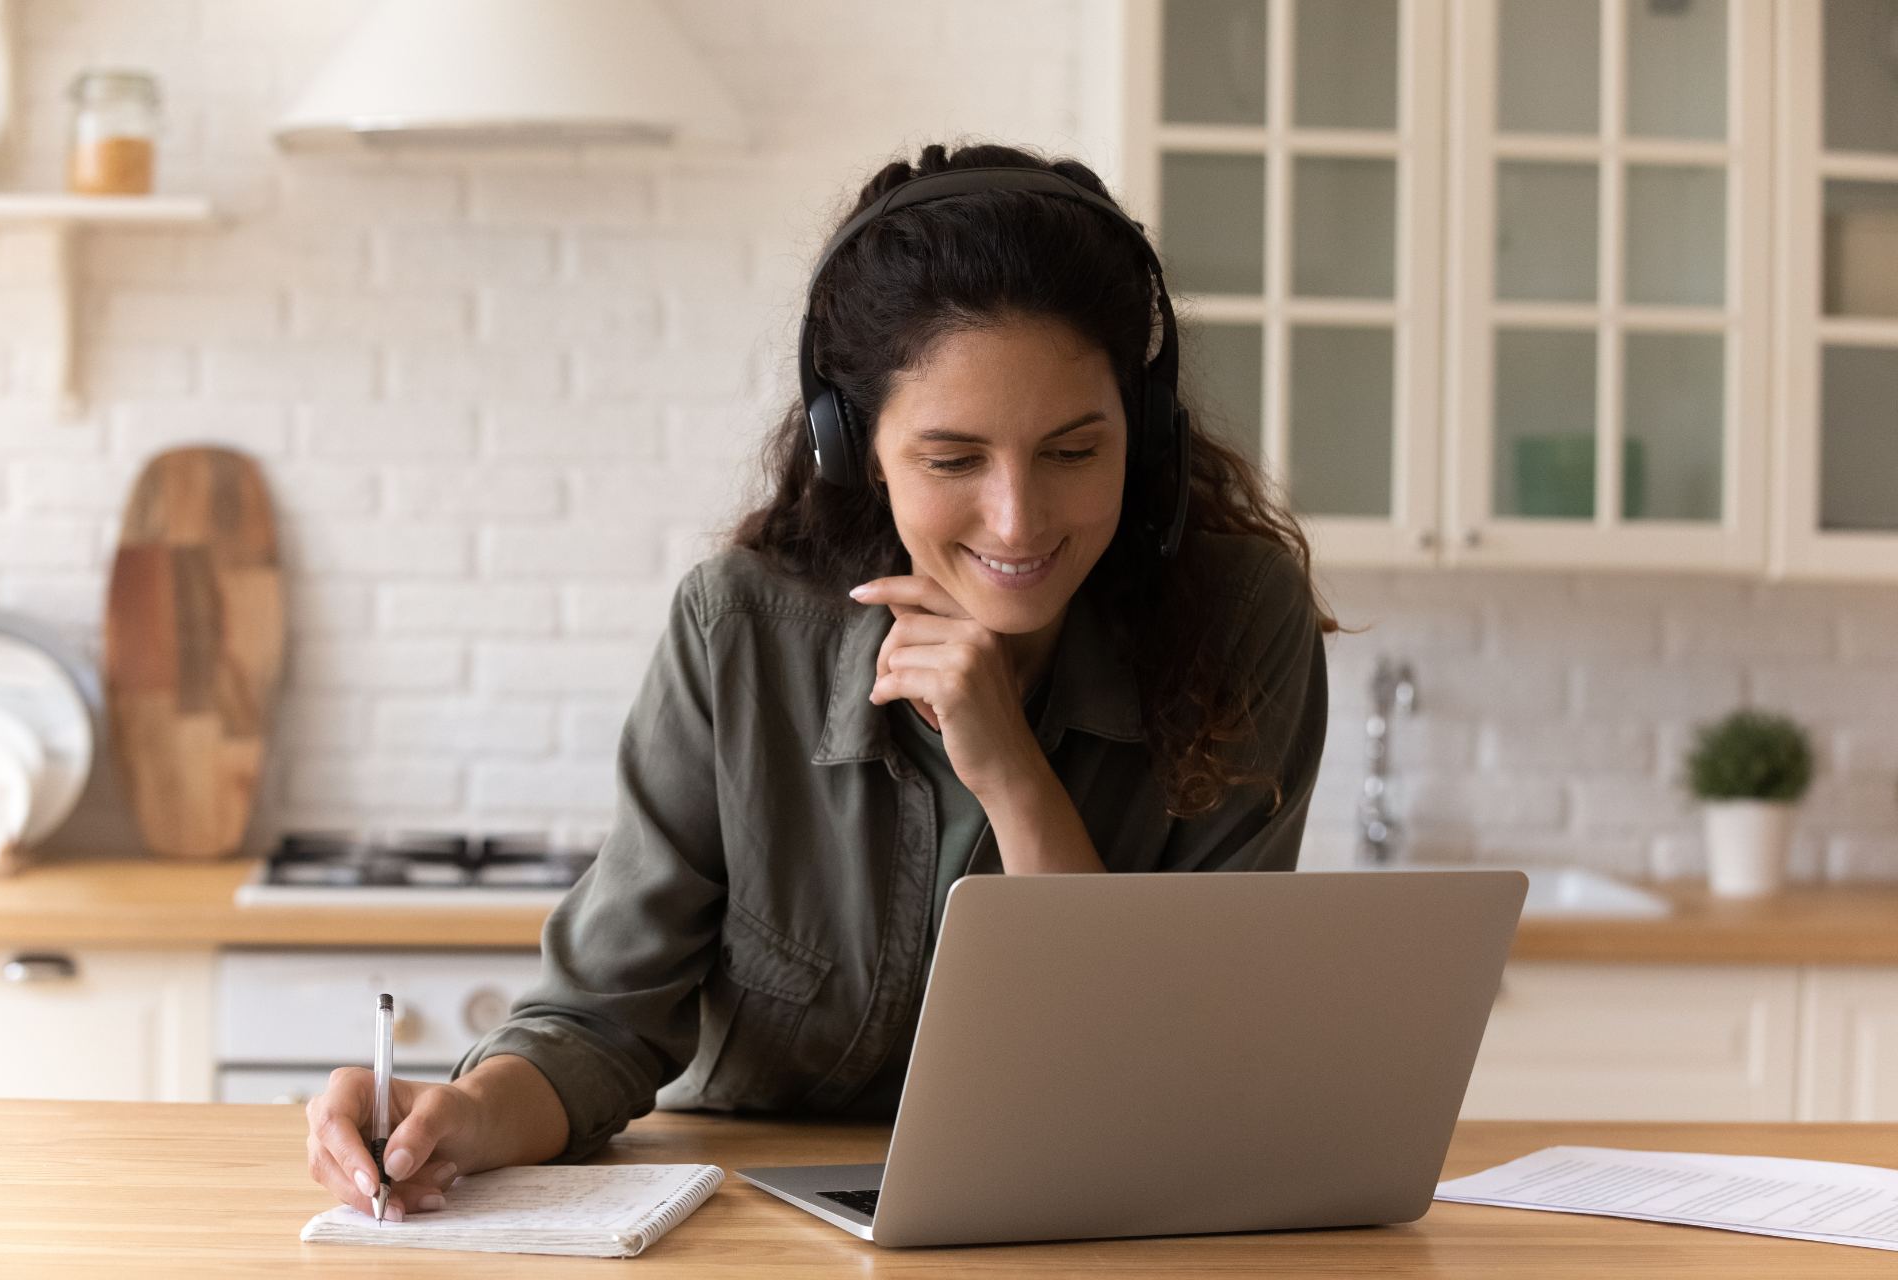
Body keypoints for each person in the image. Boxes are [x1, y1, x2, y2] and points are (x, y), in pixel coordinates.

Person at [304, 142, 1331, 1219]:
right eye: (953, 459)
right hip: (754, 1223)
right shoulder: (739, 630)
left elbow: (1166, 1079)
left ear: (1146, 430)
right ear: (857, 449)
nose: (1019, 518)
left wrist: (1011, 773)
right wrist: (457, 1115)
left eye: (1075, 451)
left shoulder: (1240, 621)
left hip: (1086, 1220)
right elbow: (602, 1021)